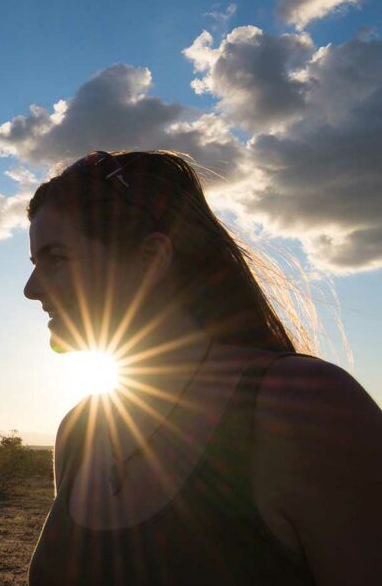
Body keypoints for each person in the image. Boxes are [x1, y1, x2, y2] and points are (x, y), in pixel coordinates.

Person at [23, 151, 382, 585]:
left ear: (150, 258)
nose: (31, 289)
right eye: (34, 264)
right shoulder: (78, 431)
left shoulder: (303, 406)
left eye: (55, 259)